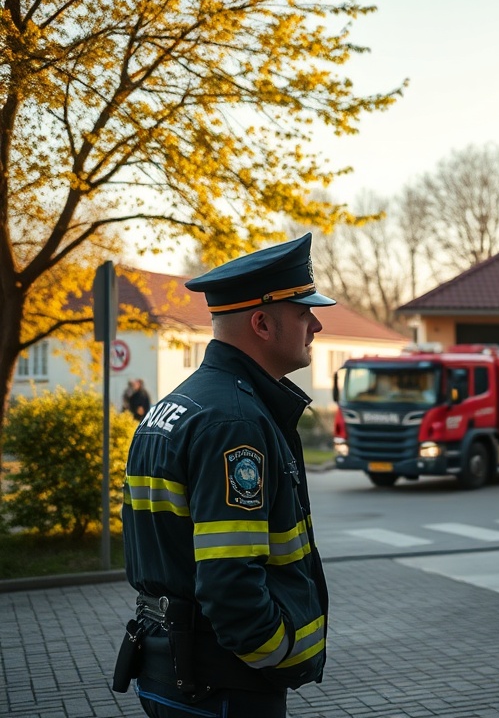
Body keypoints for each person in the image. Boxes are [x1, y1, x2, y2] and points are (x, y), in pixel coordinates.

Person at [114, 233, 335, 718]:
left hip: (172, 670)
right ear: (262, 323)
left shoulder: (180, 404)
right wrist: (277, 654)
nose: (316, 324)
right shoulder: (235, 422)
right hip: (224, 687)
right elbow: (229, 582)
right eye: (304, 313)